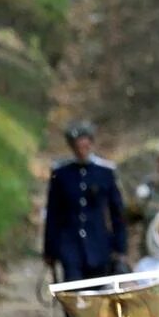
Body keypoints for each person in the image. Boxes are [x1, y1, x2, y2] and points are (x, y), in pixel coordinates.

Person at [42, 120, 128, 284]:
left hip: (100, 244)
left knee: (99, 295)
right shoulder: (61, 174)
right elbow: (53, 213)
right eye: (77, 145)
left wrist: (120, 247)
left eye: (85, 144)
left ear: (91, 143)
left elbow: (117, 212)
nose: (82, 149)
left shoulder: (105, 172)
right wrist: (50, 250)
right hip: (70, 245)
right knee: (74, 295)